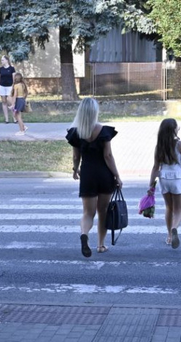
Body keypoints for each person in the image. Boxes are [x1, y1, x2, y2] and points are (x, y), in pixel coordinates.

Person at [66, 97, 122, 257]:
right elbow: (108, 156)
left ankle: (84, 234)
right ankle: (101, 245)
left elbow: (76, 157)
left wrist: (75, 170)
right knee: (103, 211)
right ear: (94, 112)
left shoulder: (76, 133)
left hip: (88, 175)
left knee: (87, 213)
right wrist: (117, 176)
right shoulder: (103, 131)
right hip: (104, 175)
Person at [148, 118, 181, 249]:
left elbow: (155, 167)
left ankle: (169, 236)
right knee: (178, 210)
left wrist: (151, 185)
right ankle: (174, 228)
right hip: (177, 178)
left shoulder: (159, 146)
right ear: (174, 130)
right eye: (177, 126)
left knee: (169, 208)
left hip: (164, 178)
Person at [0, 55, 15, 123]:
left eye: (2, 60)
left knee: (10, 102)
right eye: (1, 60)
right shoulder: (0, 69)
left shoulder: (12, 69)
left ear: (7, 60)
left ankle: (14, 118)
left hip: (9, 87)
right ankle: (6, 119)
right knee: (4, 102)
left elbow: (14, 79)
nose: (1, 61)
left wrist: (13, 88)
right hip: (2, 87)